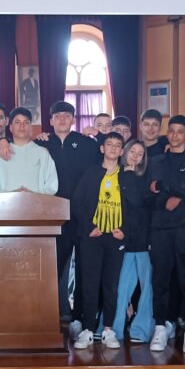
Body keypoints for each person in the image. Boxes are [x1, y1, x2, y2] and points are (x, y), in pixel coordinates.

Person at [146, 115, 185, 353]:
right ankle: (161, 326)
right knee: (160, 279)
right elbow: (149, 192)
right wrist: (167, 196)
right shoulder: (156, 160)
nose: (174, 135)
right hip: (160, 227)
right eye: (171, 131)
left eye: (180, 131)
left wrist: (164, 187)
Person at [36, 100, 101, 331]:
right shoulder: (41, 143)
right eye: (57, 116)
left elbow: (107, 161)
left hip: (84, 215)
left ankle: (79, 317)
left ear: (73, 119)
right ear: (51, 120)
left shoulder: (87, 144)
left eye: (67, 115)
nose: (62, 119)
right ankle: (47, 314)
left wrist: (100, 135)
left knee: (85, 267)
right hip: (54, 215)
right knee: (52, 266)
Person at [70, 133, 131, 349]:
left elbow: (135, 208)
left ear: (122, 151)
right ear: (102, 148)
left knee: (111, 285)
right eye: (109, 144)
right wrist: (89, 227)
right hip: (93, 237)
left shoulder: (127, 176)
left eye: (117, 145)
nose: (113, 148)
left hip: (115, 239)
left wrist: (125, 231)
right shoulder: (91, 172)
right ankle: (88, 329)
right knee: (90, 283)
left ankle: (108, 330)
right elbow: (77, 202)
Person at [109, 140, 155, 343]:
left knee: (146, 287)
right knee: (122, 286)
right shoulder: (115, 175)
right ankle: (115, 328)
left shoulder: (145, 177)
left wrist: (128, 175)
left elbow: (139, 201)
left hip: (144, 238)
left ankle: (141, 330)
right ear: (125, 152)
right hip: (123, 238)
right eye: (132, 151)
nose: (135, 156)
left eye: (140, 154)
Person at [0, 107, 58, 195]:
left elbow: (52, 187)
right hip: (4, 204)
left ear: (31, 127)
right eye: (17, 122)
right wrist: (12, 195)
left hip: (36, 203)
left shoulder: (42, 153)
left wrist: (31, 195)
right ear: (11, 127)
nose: (22, 126)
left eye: (26, 122)